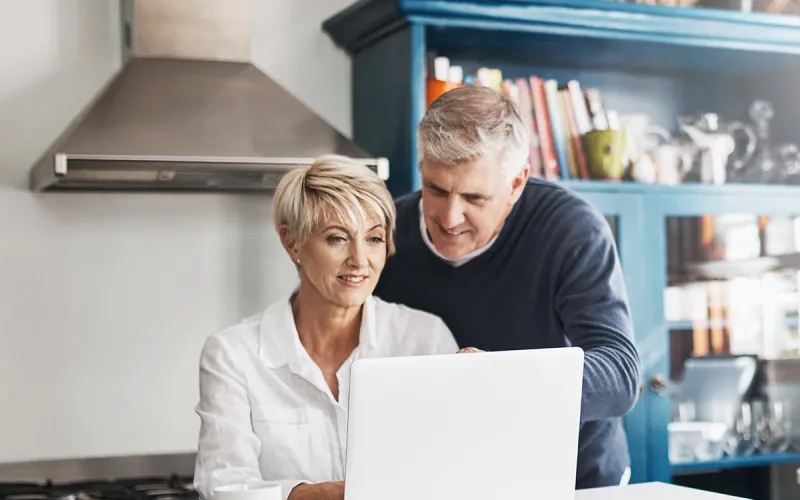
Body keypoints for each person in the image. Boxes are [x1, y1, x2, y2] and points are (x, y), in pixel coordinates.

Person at [373, 84, 641, 489]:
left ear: (516, 183)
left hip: (574, 477)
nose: (449, 217)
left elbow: (621, 374)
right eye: (436, 189)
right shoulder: (387, 233)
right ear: (423, 164)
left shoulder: (571, 229)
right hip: (447, 476)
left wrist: (500, 381)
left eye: (475, 198)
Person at [193, 155, 459, 500]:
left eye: (374, 239)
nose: (360, 260)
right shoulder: (233, 355)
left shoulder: (425, 338)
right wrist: (327, 495)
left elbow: (455, 468)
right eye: (337, 238)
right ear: (292, 243)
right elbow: (223, 485)